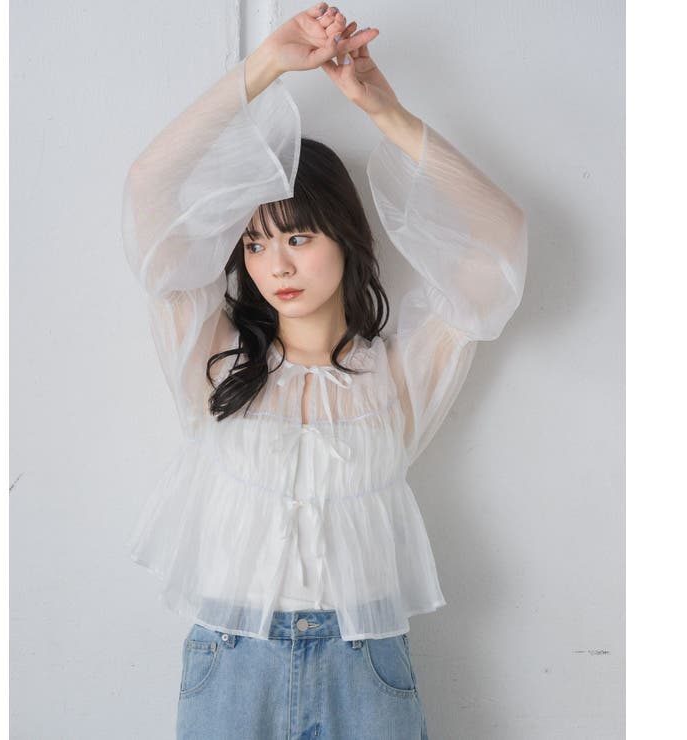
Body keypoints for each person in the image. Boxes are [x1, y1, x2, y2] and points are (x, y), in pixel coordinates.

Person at [121, 3, 527, 738]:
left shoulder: (399, 375)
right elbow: (150, 186)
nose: (275, 264)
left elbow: (501, 237)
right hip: (232, 665)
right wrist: (264, 67)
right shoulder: (211, 358)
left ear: (345, 236)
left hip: (365, 667)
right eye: (254, 243)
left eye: (299, 237)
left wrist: (386, 111)